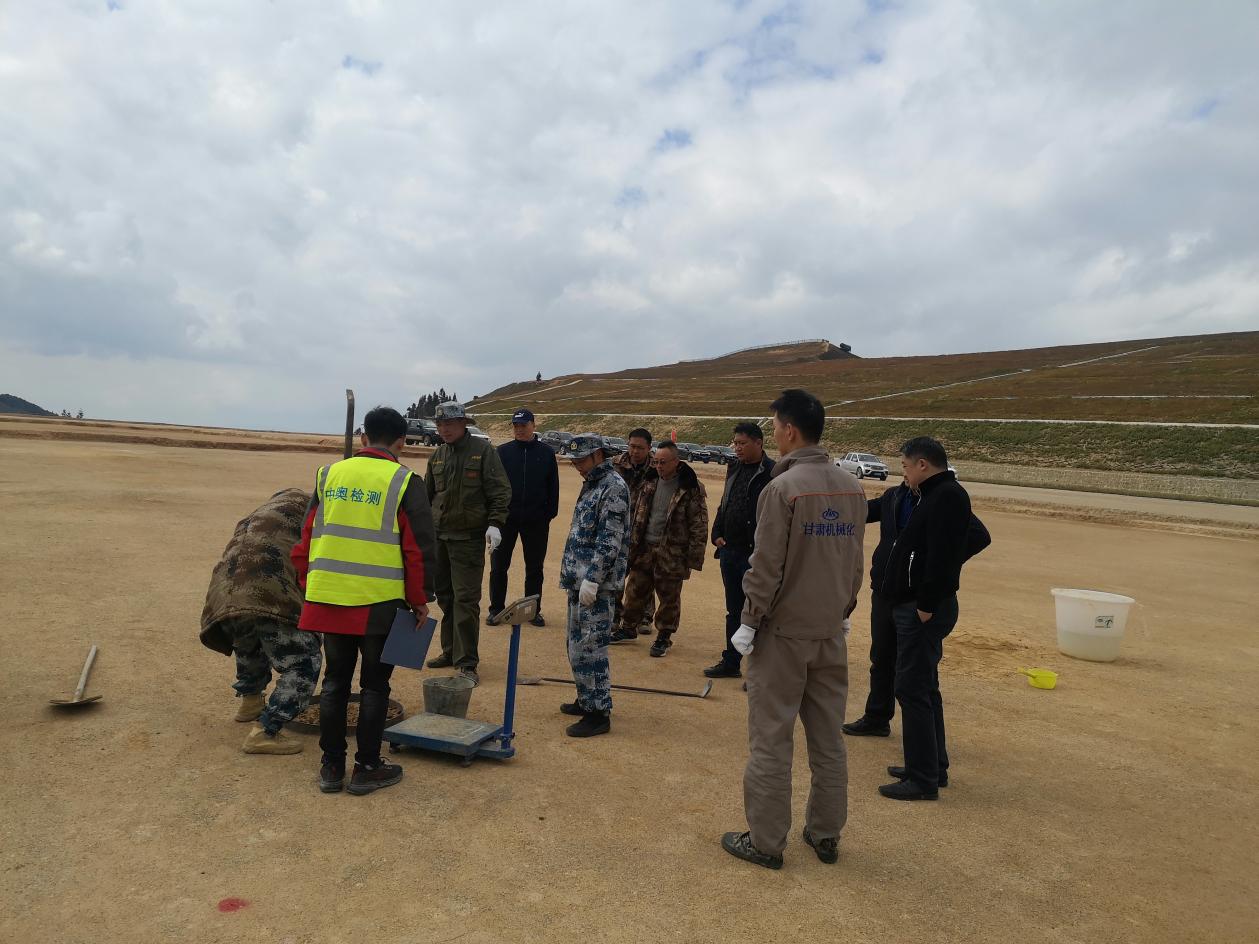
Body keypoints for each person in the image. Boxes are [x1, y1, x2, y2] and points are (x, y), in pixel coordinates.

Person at [721, 389, 865, 870]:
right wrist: (843, 609)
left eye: (776, 427)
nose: (775, 434)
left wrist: (748, 620)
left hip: (783, 635)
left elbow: (766, 567)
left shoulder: (782, 489)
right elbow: (854, 564)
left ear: (789, 430)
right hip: (829, 632)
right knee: (828, 740)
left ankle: (765, 842)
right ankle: (826, 832)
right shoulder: (851, 487)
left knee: (771, 739)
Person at [291, 406, 437, 795]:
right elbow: (419, 549)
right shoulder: (404, 482)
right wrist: (420, 600)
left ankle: (331, 767)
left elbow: (306, 538)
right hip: (378, 604)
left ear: (363, 438)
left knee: (335, 682)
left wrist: (310, 585)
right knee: (374, 686)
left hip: (329, 598)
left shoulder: (328, 475)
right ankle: (367, 767)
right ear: (402, 442)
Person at [876, 437, 982, 801]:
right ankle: (932, 766)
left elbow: (942, 556)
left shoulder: (947, 496)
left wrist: (926, 603)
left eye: (906, 466)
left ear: (923, 464)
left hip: (922, 609)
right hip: (915, 605)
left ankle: (922, 780)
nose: (904, 473)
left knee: (912, 688)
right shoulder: (934, 494)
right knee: (924, 686)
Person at [199, 487, 323, 755]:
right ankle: (266, 731)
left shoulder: (262, 515)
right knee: (303, 663)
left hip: (226, 591)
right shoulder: (313, 516)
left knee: (249, 642)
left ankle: (251, 702)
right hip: (267, 590)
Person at [422, 400, 511, 686]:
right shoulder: (437, 456)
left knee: (466, 600)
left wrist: (495, 523)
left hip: (468, 540)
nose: (443, 429)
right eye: (440, 424)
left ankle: (467, 662)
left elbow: (500, 491)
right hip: (440, 538)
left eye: (449, 423)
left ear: (463, 423)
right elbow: (427, 496)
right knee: (446, 598)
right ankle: (450, 651)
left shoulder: (483, 452)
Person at [557, 434, 631, 737]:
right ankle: (585, 697)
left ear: (599, 455)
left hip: (594, 585)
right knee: (576, 645)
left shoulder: (613, 487)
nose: (577, 464)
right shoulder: (593, 483)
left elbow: (609, 540)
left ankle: (598, 713)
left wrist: (594, 578)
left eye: (581, 459)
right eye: (574, 460)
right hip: (579, 580)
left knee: (591, 647)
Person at [614, 441, 709, 656]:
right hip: (644, 548)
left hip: (672, 552)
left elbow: (699, 524)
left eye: (663, 462)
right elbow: (636, 512)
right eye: (656, 462)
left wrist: (693, 558)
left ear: (676, 461)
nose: (658, 466)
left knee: (669, 597)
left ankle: (664, 637)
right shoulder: (649, 481)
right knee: (635, 590)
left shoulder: (690, 487)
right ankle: (628, 628)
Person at [705, 422, 775, 680]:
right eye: (735, 443)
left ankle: (760, 671)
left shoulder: (772, 472)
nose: (737, 448)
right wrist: (716, 533)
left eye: (742, 443)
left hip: (755, 555)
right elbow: (725, 503)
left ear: (759, 443)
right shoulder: (733, 467)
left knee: (760, 613)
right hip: (729, 552)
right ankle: (731, 661)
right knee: (734, 610)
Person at [489, 408, 559, 627]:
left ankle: (532, 612)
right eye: (516, 425)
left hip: (536, 521)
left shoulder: (546, 453)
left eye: (523, 425)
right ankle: (496, 609)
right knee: (499, 567)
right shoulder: (502, 452)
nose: (519, 429)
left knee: (535, 568)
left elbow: (553, 486)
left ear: (533, 426)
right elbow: (493, 485)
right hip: (506, 520)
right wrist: (494, 518)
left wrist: (547, 515)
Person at [610, 427, 654, 635]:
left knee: (644, 577)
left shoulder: (657, 466)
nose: (635, 451)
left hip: (646, 529)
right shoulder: (615, 464)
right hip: (620, 528)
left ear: (649, 448)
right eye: (632, 446)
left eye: (640, 448)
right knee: (616, 575)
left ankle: (645, 617)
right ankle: (615, 616)